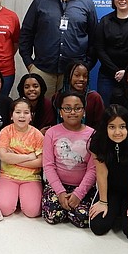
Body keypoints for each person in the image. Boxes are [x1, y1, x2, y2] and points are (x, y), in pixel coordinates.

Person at [19, 0, 97, 98]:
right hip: (43, 69)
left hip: (73, 72)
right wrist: (29, 63)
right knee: (43, 111)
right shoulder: (40, 1)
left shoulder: (86, 4)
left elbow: (95, 38)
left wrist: (87, 65)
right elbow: (26, 33)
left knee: (70, 112)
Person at [89, 105, 128, 243]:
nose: (118, 132)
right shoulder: (97, 141)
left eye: (122, 126)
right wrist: (103, 201)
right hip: (111, 189)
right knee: (98, 227)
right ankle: (115, 209)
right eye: (112, 127)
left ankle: (123, 209)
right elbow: (101, 172)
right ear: (105, 127)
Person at [41, 91, 96, 228]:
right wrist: (60, 192)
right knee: (52, 216)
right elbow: (48, 165)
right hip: (57, 185)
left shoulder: (93, 134)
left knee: (83, 219)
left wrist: (78, 194)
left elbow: (93, 169)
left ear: (84, 111)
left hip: (83, 186)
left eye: (78, 108)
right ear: (60, 112)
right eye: (67, 108)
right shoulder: (51, 132)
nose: (73, 112)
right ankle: (66, 208)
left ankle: (70, 208)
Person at [0, 98, 44, 218]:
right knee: (4, 209)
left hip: (31, 177)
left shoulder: (37, 134)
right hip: (7, 175)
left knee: (33, 212)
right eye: (18, 112)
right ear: (11, 115)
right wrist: (29, 157)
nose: (22, 116)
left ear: (31, 116)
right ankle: (14, 197)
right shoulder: (5, 132)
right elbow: (3, 156)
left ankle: (20, 197)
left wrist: (14, 158)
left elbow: (40, 162)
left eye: (26, 112)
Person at [52, 61, 104, 129]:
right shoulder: (58, 96)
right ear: (69, 76)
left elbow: (100, 124)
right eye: (77, 75)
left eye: (85, 76)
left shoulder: (94, 97)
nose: (81, 79)